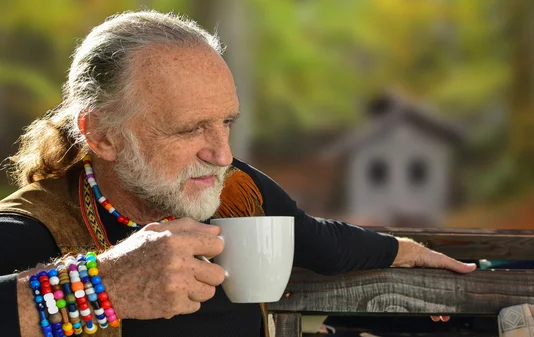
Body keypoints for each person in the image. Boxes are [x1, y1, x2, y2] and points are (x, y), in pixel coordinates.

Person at [0, 10, 476, 337]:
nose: (223, 155)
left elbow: (317, 241)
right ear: (102, 135)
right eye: (190, 129)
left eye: (225, 123)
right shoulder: (33, 229)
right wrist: (104, 286)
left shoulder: (237, 191)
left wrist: (405, 251)